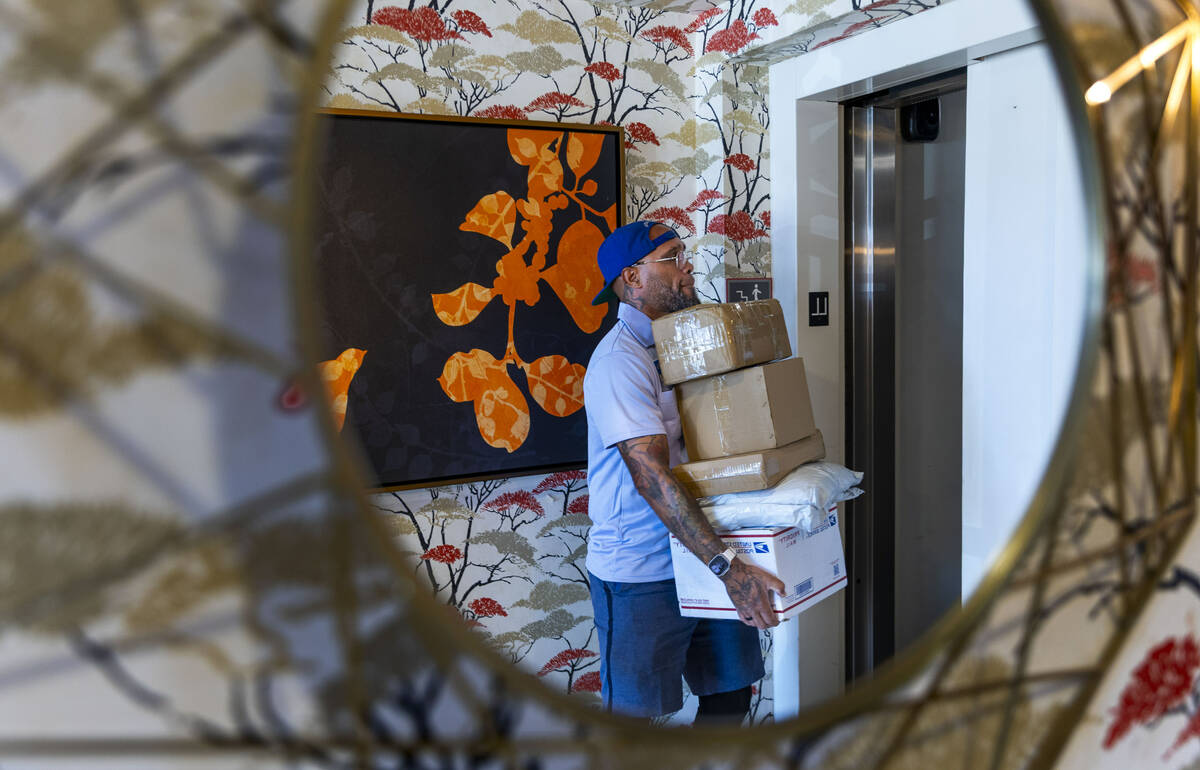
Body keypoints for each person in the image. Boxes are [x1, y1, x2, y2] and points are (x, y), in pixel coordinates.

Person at [582, 220, 785, 723]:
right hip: (642, 573)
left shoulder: (686, 346)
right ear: (633, 278)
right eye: (672, 257)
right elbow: (650, 475)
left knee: (730, 696)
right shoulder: (618, 362)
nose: (688, 266)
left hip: (701, 554)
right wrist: (727, 567)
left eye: (683, 253)